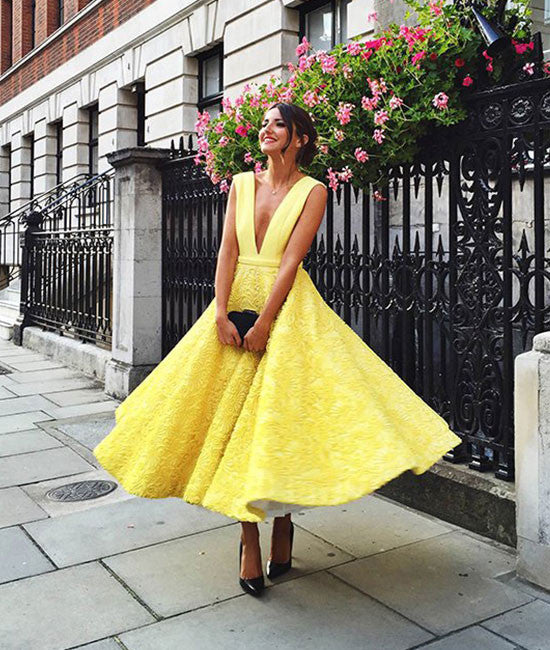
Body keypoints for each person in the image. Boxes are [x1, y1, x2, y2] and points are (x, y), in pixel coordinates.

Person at [93, 101, 462, 598]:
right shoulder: (242, 184)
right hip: (232, 302)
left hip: (284, 309)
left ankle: (282, 522)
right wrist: (220, 312)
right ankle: (249, 536)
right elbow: (226, 250)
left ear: (300, 138)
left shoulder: (314, 191)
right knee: (226, 426)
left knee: (277, 419)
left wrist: (266, 321)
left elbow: (291, 260)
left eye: (278, 124)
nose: (265, 130)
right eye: (264, 123)